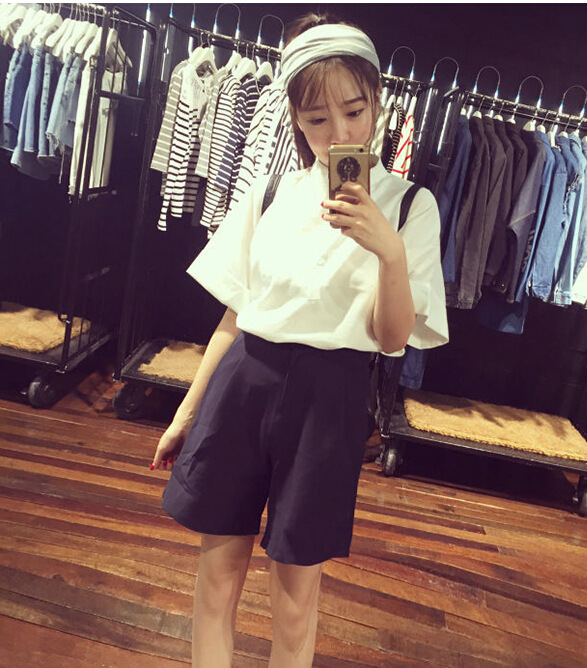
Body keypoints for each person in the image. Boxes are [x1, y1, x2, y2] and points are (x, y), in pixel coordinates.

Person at [151, 13, 448, 668]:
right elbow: (234, 317)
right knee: (216, 576)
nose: (340, 133)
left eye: (354, 110)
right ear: (294, 118)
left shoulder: (410, 207)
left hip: (329, 403)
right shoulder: (270, 193)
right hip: (243, 387)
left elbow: (392, 339)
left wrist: (389, 252)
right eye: (317, 118)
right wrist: (187, 412)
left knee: (294, 596)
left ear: (378, 101)